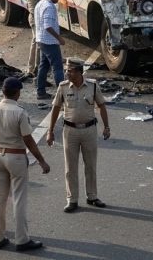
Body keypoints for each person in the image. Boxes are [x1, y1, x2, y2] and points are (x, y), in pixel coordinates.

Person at [0, 77, 50, 252]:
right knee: (19, 199)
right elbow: (28, 139)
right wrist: (42, 161)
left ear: (3, 91)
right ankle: (22, 239)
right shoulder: (20, 112)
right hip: (16, 157)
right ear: (17, 93)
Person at [47, 57, 111, 212]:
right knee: (70, 168)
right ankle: (72, 199)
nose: (67, 73)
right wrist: (50, 131)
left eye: (70, 71)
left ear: (79, 72)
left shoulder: (92, 86)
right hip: (70, 131)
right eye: (67, 70)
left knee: (91, 165)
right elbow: (55, 109)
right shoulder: (63, 87)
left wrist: (106, 127)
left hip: (89, 130)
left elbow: (102, 106)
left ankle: (92, 196)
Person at [26, 0, 75, 81]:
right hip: (37, 19)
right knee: (39, 46)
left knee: (37, 45)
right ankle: (34, 70)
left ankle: (34, 70)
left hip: (35, 17)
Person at [35, 0, 67, 99]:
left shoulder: (40, 3)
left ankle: (41, 92)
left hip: (41, 40)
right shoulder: (49, 7)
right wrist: (59, 38)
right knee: (58, 68)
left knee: (43, 66)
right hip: (50, 42)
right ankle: (61, 95)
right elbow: (48, 26)